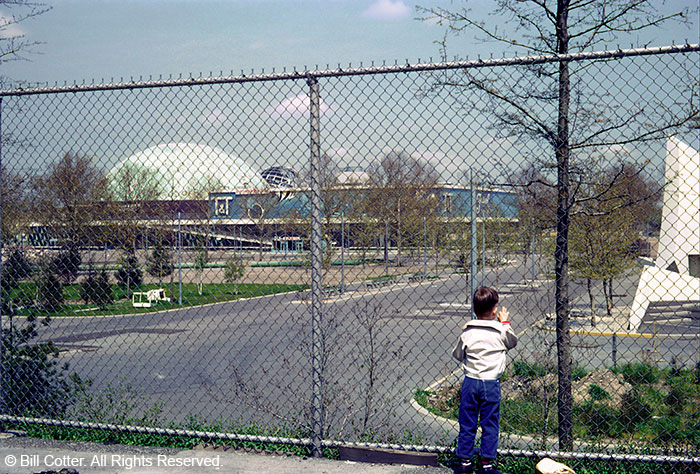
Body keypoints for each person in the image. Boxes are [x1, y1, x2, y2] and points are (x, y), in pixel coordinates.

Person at [451, 286, 518, 474]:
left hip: (470, 382)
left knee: (467, 422)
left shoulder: (468, 332)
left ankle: (464, 462)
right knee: (489, 423)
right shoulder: (500, 332)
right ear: (495, 310)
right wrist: (505, 322)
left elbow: (458, 354)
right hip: (491, 383)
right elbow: (512, 341)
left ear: (474, 310)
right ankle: (487, 465)